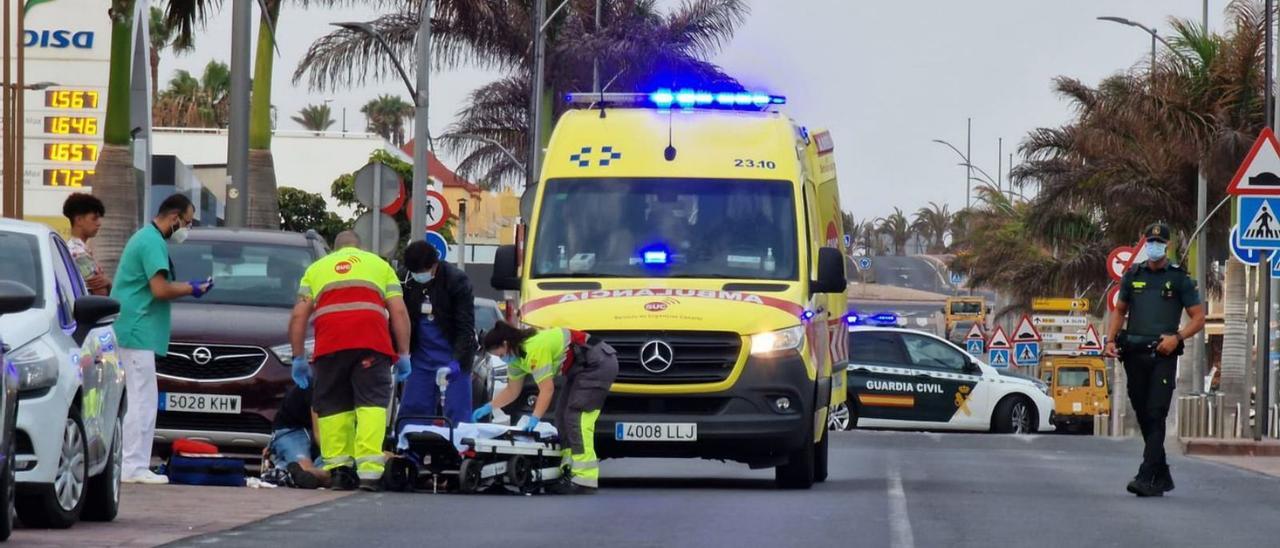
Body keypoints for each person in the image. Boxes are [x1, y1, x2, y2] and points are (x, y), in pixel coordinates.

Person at [288, 231, 412, 491]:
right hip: (372, 345)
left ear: (335, 249)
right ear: (359, 247)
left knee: (334, 408)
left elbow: (299, 315)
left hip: (330, 348)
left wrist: (298, 356)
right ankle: (369, 473)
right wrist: (404, 354)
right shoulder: (380, 266)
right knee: (371, 405)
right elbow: (398, 311)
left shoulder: (315, 269)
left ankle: (340, 472)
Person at [111, 194, 214, 484]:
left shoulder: (146, 238)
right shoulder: (152, 242)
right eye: (188, 222)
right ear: (174, 218)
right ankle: (133, 466)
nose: (187, 229)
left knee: (141, 399)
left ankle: (134, 463)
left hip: (135, 329)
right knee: (141, 400)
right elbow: (159, 289)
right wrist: (192, 289)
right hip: (136, 330)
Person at [1104, 222, 1205, 498]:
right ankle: (1161, 474)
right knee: (1142, 412)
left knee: (1155, 413)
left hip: (1163, 354)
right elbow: (1119, 310)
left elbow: (1198, 318)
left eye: (1159, 242)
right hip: (1134, 354)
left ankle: (1147, 474)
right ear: (1144, 242)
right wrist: (1111, 341)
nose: (1154, 246)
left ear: (1168, 246)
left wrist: (1178, 337)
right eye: (1150, 241)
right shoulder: (1133, 275)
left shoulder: (1178, 279)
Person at [472, 322, 618, 495]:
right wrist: (489, 407)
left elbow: (547, 389)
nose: (503, 359)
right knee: (561, 416)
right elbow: (512, 390)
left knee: (576, 418)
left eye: (502, 355)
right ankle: (568, 471)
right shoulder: (517, 358)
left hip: (598, 363)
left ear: (506, 344)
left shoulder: (534, 348)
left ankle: (584, 479)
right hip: (580, 368)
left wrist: (535, 418)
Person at [399, 241, 476, 427]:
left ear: (435, 264)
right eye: (415, 271)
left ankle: (459, 451)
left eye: (423, 270)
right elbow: (399, 317)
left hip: (453, 357)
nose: (419, 275)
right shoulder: (405, 279)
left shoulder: (456, 281)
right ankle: (410, 451)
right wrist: (400, 354)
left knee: (457, 413)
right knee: (413, 411)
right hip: (421, 359)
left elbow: (465, 327)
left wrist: (457, 361)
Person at [263, 386, 329, 489]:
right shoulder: (316, 385)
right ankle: (320, 475)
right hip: (291, 430)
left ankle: (284, 468)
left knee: (333, 465)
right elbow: (318, 434)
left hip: (316, 430)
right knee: (305, 464)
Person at [62, 192, 111, 295]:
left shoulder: (71, 248)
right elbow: (101, 293)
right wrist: (108, 283)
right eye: (94, 218)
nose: (99, 223)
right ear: (79, 220)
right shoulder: (79, 253)